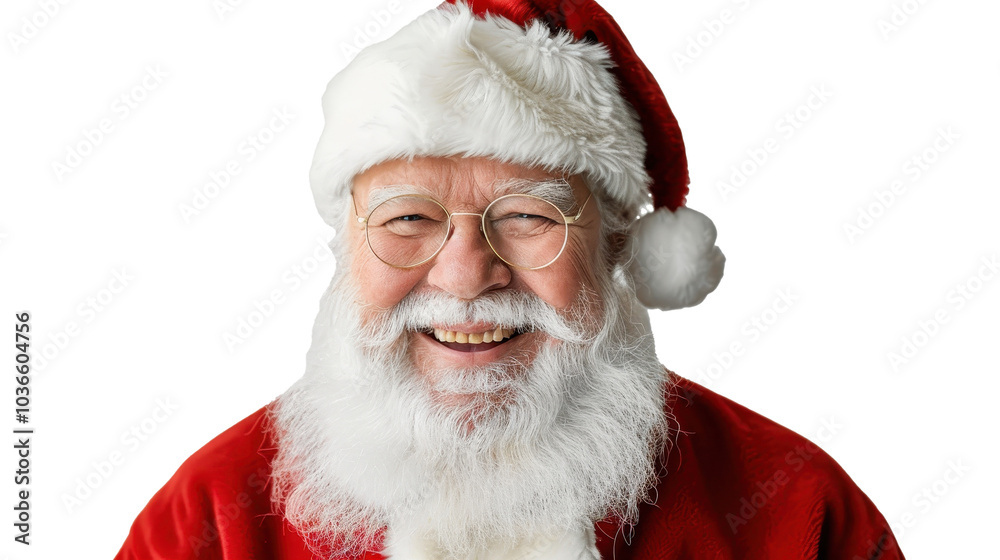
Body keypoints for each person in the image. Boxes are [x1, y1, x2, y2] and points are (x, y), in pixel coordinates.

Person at [115, 1, 904, 558]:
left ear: (619, 247)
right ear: (343, 252)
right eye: (408, 221)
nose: (465, 277)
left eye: (528, 217)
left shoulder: (798, 513)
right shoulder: (211, 520)